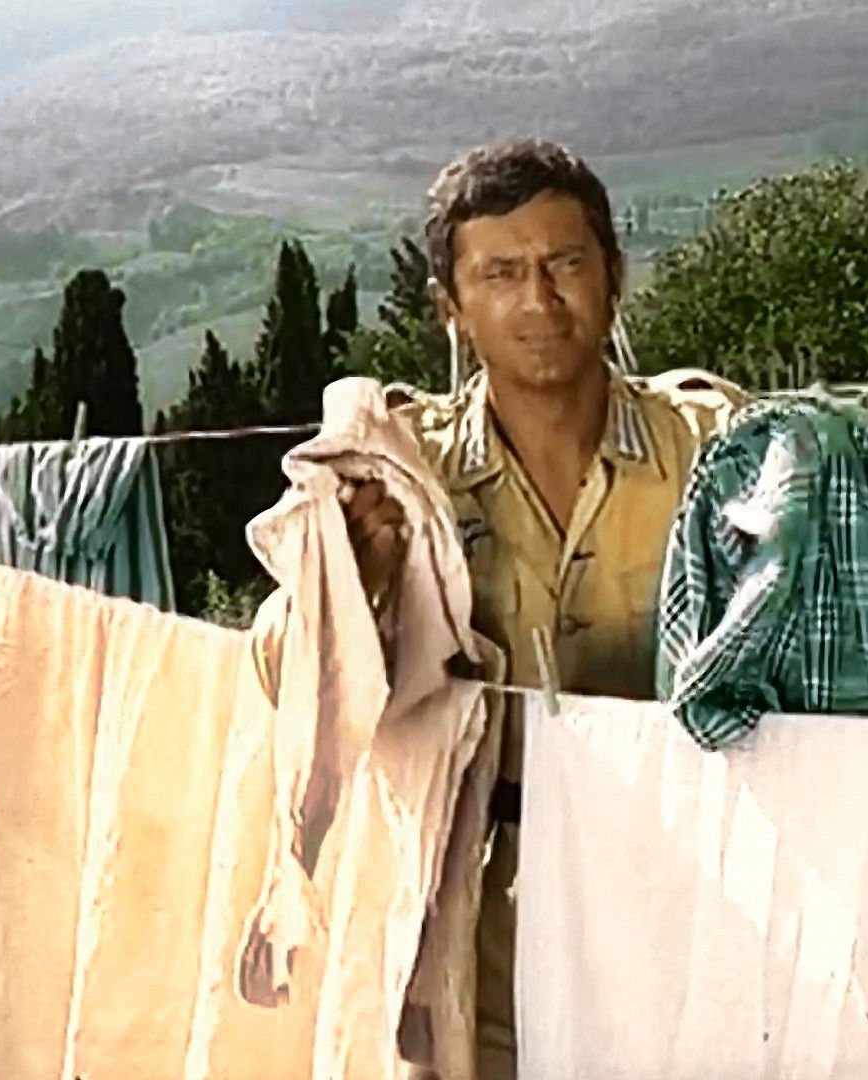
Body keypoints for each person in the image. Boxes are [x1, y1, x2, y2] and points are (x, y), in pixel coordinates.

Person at [253, 138, 745, 1079]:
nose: (540, 301)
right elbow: (284, 669)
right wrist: (356, 578)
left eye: (566, 263)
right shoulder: (399, 474)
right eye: (501, 274)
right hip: (486, 926)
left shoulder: (711, 444)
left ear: (614, 274)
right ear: (451, 306)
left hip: (697, 895)